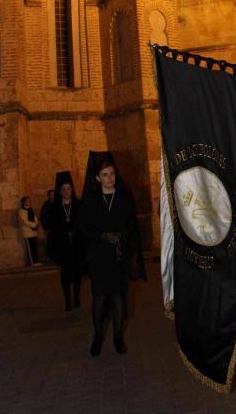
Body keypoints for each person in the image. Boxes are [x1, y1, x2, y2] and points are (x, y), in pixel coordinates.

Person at [79, 151, 146, 356]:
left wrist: (122, 238)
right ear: (98, 178)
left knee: (118, 296)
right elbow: (84, 228)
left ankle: (118, 338)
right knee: (99, 296)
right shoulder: (90, 200)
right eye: (105, 175)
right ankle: (98, 336)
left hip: (118, 255)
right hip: (98, 256)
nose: (110, 178)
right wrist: (103, 235)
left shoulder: (124, 198)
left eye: (112, 174)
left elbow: (132, 226)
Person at [51, 172, 83, 311]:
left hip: (76, 246)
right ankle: (68, 300)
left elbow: (83, 225)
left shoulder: (78, 205)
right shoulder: (55, 208)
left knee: (77, 274)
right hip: (63, 247)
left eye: (68, 188)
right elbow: (53, 229)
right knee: (65, 275)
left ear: (72, 190)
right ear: (59, 191)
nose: (66, 191)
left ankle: (76, 297)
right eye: (63, 189)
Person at [18, 196, 40, 265]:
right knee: (30, 248)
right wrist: (34, 225)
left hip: (33, 231)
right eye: (27, 201)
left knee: (35, 247)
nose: (29, 202)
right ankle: (32, 262)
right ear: (23, 202)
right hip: (27, 232)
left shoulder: (31, 210)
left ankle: (36, 261)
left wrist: (37, 224)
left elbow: (35, 218)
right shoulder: (21, 211)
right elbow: (25, 221)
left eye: (29, 201)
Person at [40, 189, 55, 261]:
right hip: (50, 227)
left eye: (54, 194)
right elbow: (43, 217)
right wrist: (45, 228)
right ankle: (51, 257)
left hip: (59, 227)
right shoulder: (46, 205)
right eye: (51, 194)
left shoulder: (59, 203)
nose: (53, 196)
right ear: (49, 196)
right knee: (51, 242)